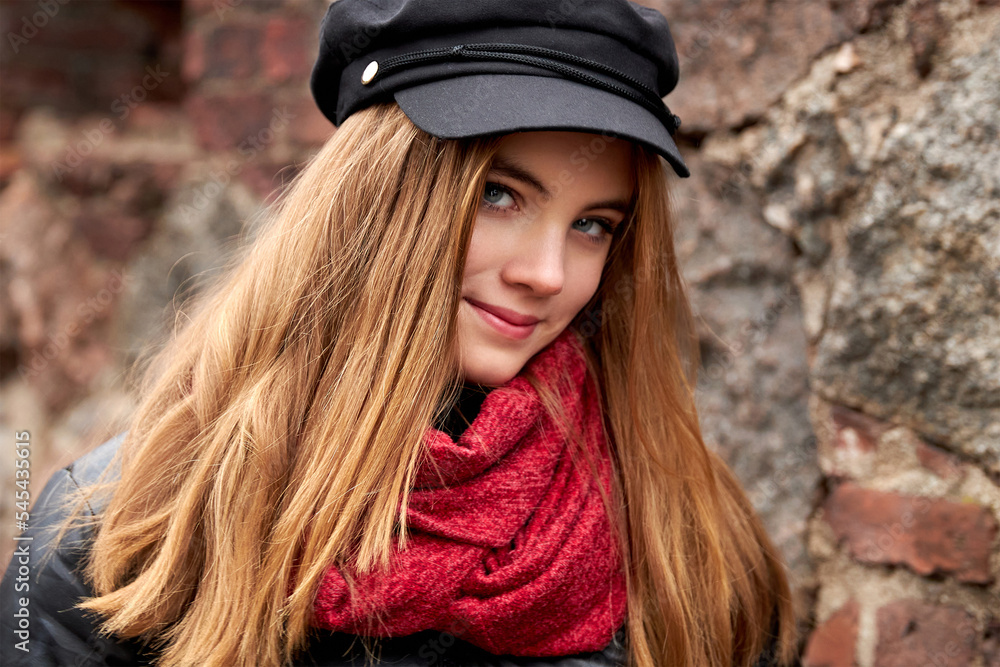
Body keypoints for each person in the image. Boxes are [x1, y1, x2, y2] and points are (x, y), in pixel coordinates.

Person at [0, 1, 800, 666]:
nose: (549, 273)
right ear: (377, 200)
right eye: (499, 195)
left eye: (593, 224)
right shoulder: (125, 529)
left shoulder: (679, 524)